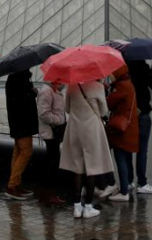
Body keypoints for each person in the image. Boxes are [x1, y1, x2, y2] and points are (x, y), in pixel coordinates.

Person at [60, 80, 114, 220]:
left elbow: (67, 109)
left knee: (78, 168)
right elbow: (103, 111)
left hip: (75, 129)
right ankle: (88, 206)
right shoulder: (98, 87)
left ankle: (77, 206)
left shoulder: (71, 86)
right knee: (93, 167)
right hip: (92, 130)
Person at [4, 69, 39, 200]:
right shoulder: (18, 79)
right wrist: (32, 92)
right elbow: (21, 99)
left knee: (18, 153)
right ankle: (12, 185)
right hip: (22, 121)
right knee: (26, 152)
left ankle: (16, 184)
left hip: (17, 121)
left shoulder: (14, 78)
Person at [106, 67, 139, 202]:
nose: (110, 75)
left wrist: (108, 91)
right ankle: (126, 185)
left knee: (120, 158)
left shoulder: (121, 86)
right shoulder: (128, 84)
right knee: (124, 157)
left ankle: (124, 191)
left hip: (121, 129)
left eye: (112, 73)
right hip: (128, 128)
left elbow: (109, 103)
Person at [126, 60, 152, 194]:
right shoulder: (143, 66)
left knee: (126, 148)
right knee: (142, 149)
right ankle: (142, 182)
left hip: (127, 113)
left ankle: (128, 181)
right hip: (143, 111)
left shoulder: (124, 66)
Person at [37, 78, 66, 206]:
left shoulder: (54, 90)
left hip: (54, 131)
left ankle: (46, 193)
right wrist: (59, 120)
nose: (63, 82)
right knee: (52, 163)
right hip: (51, 132)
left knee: (52, 162)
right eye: (60, 79)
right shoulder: (47, 91)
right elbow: (44, 113)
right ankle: (48, 194)